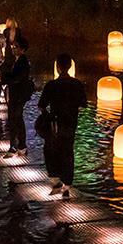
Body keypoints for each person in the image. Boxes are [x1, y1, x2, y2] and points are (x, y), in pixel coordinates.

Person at [38, 53, 87, 198]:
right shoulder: (77, 84)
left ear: (58, 67)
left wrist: (47, 115)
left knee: (51, 150)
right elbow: (83, 104)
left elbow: (41, 105)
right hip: (71, 123)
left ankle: (56, 181)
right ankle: (67, 185)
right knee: (68, 152)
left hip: (55, 123)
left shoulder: (52, 85)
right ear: (70, 66)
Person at [0, 37, 31, 158]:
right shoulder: (18, 60)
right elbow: (14, 75)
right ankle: (20, 146)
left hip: (18, 96)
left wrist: (2, 79)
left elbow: (17, 78)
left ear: (22, 49)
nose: (13, 48)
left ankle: (15, 147)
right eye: (12, 46)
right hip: (17, 95)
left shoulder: (22, 61)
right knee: (17, 120)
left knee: (14, 120)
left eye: (16, 47)